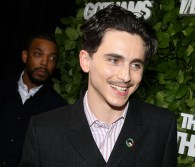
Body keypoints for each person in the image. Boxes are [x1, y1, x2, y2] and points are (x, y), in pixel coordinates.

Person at [19, 4, 177, 167]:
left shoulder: (161, 127)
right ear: (85, 61)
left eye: (136, 65)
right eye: (114, 60)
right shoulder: (44, 130)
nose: (126, 76)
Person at [0, 33, 68, 167]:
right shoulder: (2, 91)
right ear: (25, 56)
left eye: (52, 58)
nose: (45, 63)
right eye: (38, 54)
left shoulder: (58, 109)